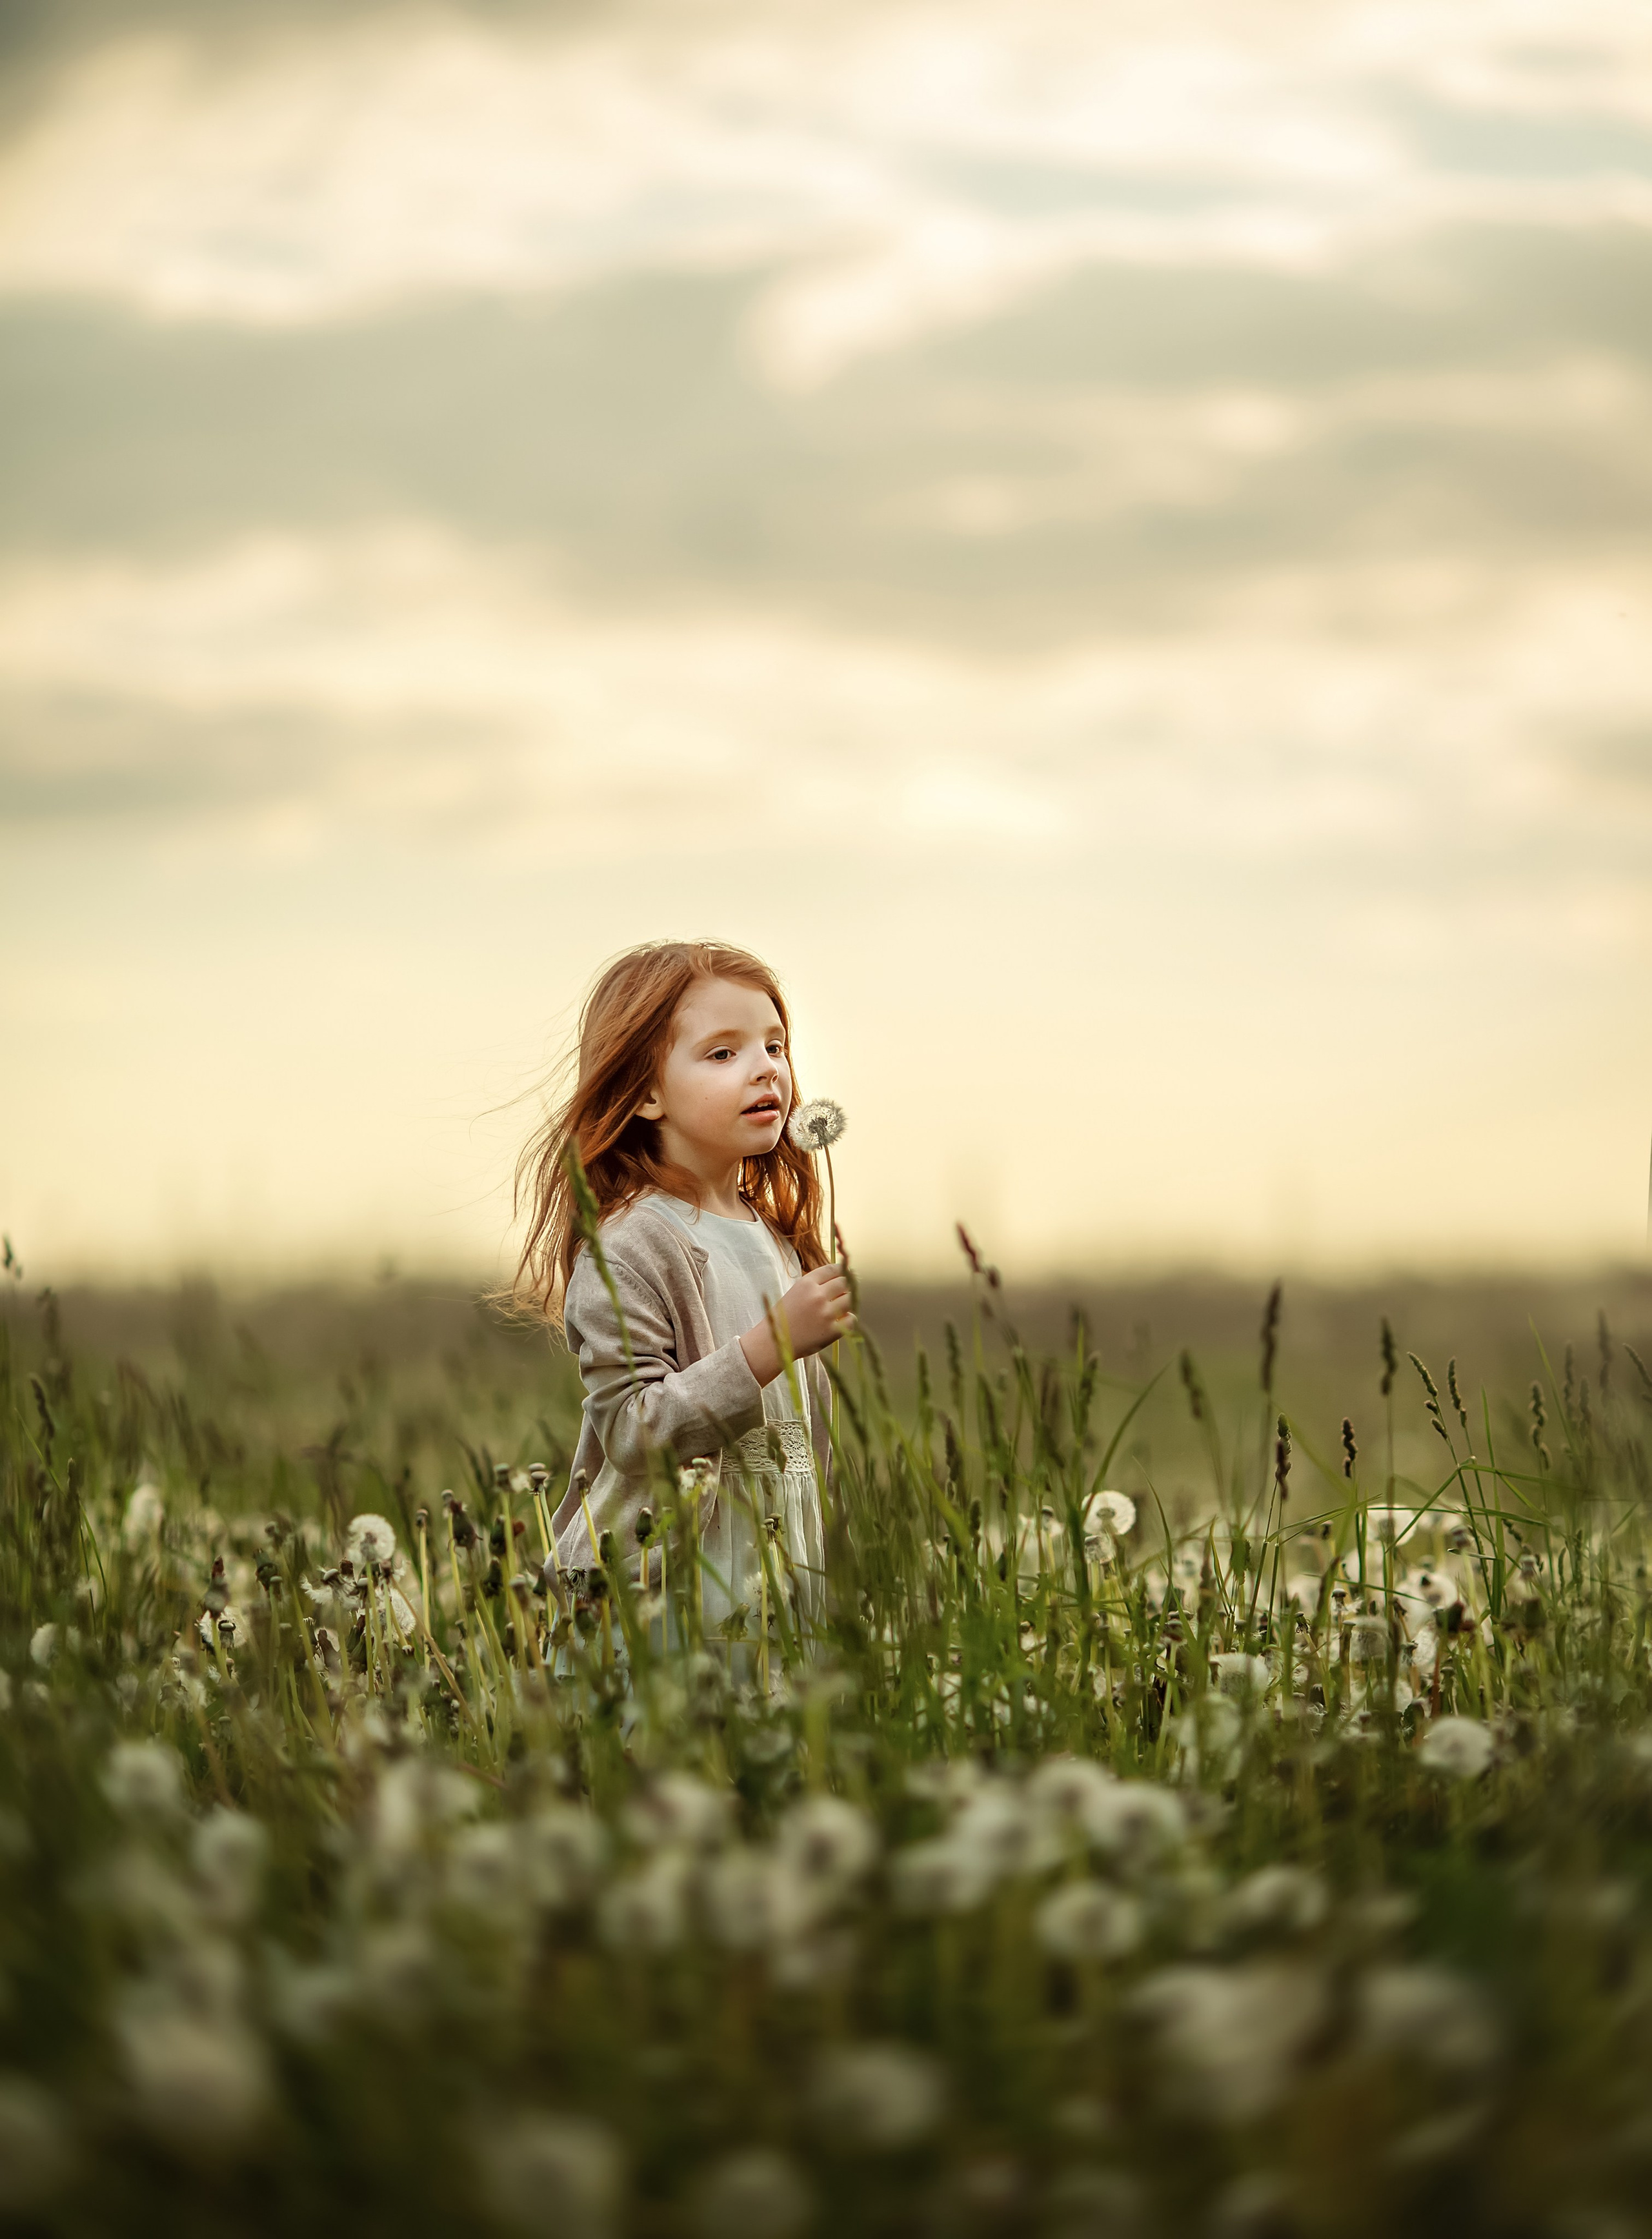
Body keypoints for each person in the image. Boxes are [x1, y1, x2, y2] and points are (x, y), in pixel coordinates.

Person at [512, 940, 853, 1650]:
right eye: (722, 1054)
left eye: (774, 1045)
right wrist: (769, 1346)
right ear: (645, 1092)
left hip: (776, 1587)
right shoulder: (633, 1242)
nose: (765, 1067)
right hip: (663, 1599)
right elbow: (634, 1431)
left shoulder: (775, 1239)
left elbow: (801, 1443)